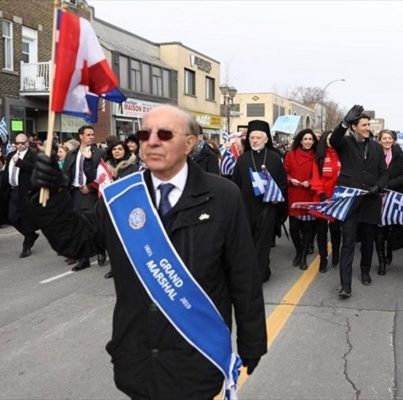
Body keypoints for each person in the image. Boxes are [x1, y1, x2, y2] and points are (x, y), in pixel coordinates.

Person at [30, 104, 266, 398]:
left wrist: (252, 342)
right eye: (145, 133)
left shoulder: (223, 197)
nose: (152, 141)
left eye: (164, 134)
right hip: (137, 358)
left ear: (190, 143)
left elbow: (244, 276)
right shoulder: (120, 198)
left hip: (196, 356)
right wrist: (53, 196)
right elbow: (76, 243)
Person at [330, 105, 388, 298]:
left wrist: (378, 187)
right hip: (350, 201)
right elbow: (333, 139)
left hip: (370, 201)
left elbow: (383, 173)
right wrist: (343, 123)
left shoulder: (376, 147)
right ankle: (345, 285)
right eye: (363, 124)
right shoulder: (345, 143)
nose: (367, 127)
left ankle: (365, 271)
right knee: (347, 242)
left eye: (368, 124)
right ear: (354, 127)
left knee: (368, 242)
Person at [232, 120, 287, 282]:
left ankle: (258, 275)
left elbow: (282, 183)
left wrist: (278, 197)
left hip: (267, 208)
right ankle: (260, 269)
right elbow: (235, 185)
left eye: (258, 137)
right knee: (248, 244)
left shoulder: (275, 159)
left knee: (263, 244)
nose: (254, 140)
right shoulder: (242, 160)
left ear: (266, 140)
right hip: (247, 209)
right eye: (252, 137)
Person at [63, 125, 107, 270]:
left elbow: (103, 175)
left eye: (93, 134)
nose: (92, 137)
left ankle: (100, 249)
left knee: (92, 224)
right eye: (88, 134)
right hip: (75, 193)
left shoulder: (99, 153)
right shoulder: (72, 154)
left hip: (90, 193)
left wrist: (91, 186)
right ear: (80, 136)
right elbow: (66, 174)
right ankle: (84, 259)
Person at [101, 140, 140, 279]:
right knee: (112, 240)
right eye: (114, 149)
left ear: (126, 151)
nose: (116, 151)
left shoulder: (133, 167)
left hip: (126, 208)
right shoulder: (105, 167)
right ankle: (115, 267)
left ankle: (132, 267)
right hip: (110, 208)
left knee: (128, 240)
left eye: (120, 149)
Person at [283, 129, 318, 270]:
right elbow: (284, 173)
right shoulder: (290, 155)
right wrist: (291, 180)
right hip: (294, 193)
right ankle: (298, 251)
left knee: (308, 229)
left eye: (310, 139)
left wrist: (310, 182)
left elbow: (319, 175)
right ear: (300, 140)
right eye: (305, 139)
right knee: (294, 228)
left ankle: (303, 257)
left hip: (309, 194)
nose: (308, 141)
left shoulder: (317, 156)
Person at [375, 129, 403, 275]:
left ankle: (389, 251)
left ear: (393, 140)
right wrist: (379, 186)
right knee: (379, 230)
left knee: (390, 229)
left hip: (393, 195)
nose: (387, 140)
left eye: (390, 138)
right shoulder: (374, 154)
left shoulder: (399, 154)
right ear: (379, 140)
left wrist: (389, 184)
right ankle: (381, 261)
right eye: (384, 138)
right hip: (377, 196)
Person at [0, 134, 39, 257]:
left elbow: (36, 170)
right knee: (12, 218)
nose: (20, 145)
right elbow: (7, 173)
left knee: (26, 219)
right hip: (12, 191)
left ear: (27, 143)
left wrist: (21, 163)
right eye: (17, 143)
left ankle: (26, 246)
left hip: (26, 192)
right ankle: (30, 234)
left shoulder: (33, 155)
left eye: (22, 143)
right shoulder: (11, 155)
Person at [311, 130, 342, 270]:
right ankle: (323, 258)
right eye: (328, 139)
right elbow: (315, 177)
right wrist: (321, 193)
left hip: (337, 199)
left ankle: (336, 253)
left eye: (333, 139)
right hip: (321, 197)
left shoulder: (342, 155)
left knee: (336, 230)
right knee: (321, 231)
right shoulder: (318, 157)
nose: (330, 141)